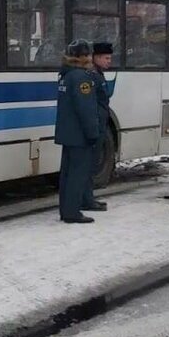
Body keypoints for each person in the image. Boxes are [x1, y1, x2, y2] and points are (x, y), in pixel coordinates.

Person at [55, 39, 100, 224]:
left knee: (66, 175)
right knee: (77, 175)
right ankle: (72, 212)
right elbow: (86, 109)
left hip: (67, 134)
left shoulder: (65, 75)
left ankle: (66, 210)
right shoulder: (82, 78)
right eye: (88, 54)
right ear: (82, 57)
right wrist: (93, 133)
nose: (90, 57)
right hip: (79, 135)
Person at [82, 41, 115, 212]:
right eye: (106, 58)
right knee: (88, 165)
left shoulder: (98, 74)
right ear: (96, 58)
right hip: (95, 125)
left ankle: (88, 198)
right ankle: (86, 199)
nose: (110, 61)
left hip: (100, 124)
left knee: (92, 165)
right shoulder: (92, 75)